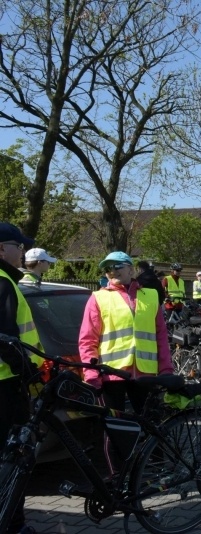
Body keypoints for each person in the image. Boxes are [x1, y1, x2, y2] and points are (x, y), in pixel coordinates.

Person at [78, 251, 174, 475]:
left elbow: (160, 335)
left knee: (152, 423)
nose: (112, 270)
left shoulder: (150, 296)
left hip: (145, 373)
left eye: (118, 266)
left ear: (131, 269)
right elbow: (88, 339)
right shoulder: (99, 298)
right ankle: (118, 477)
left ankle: (156, 472)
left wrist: (166, 369)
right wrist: (91, 373)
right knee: (114, 430)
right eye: (108, 267)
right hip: (112, 375)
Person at [0, 222, 41, 534]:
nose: (23, 251)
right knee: (14, 458)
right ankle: (14, 525)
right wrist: (28, 371)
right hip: (6, 387)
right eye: (18, 245)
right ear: (2, 248)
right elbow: (5, 339)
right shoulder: (2, 282)